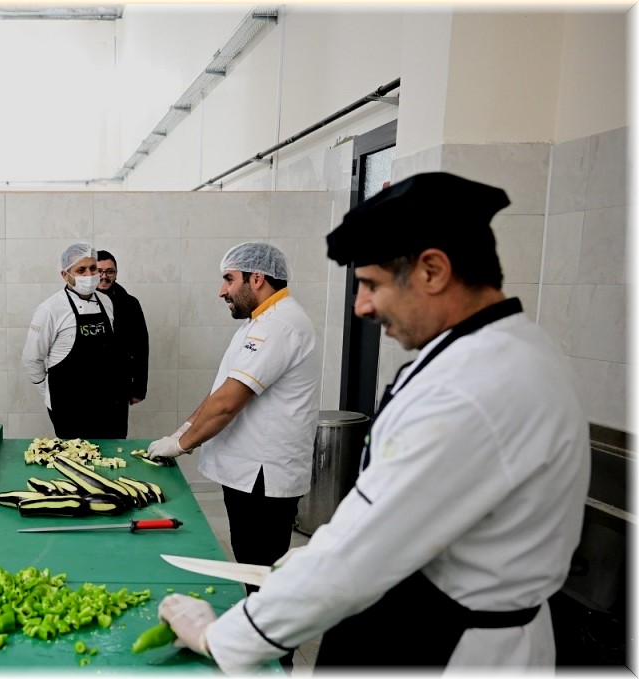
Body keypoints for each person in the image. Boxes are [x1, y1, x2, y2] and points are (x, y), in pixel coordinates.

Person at [156, 172, 591, 671]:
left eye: (370, 285)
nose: (361, 306)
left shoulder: (470, 385)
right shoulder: (507, 349)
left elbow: (357, 560)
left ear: (432, 270)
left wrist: (220, 636)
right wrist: (321, 552)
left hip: (447, 647)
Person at [147, 242, 320, 582]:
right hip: (250, 471)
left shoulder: (279, 325)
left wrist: (181, 446)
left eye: (228, 279)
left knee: (261, 567)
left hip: (263, 474)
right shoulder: (259, 322)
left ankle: (268, 631)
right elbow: (220, 391)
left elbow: (229, 402)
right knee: (248, 558)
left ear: (256, 278)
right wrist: (183, 431)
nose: (221, 291)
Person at [21, 242, 128, 439]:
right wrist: (50, 393)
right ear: (65, 274)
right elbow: (31, 358)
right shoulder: (50, 309)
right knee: (77, 462)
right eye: (81, 270)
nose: (89, 275)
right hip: (69, 406)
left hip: (108, 403)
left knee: (111, 459)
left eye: (93, 268)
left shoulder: (106, 302)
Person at [94, 249, 149, 414]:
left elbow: (141, 347)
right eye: (99, 271)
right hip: (86, 385)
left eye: (110, 271)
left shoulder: (130, 304)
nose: (104, 276)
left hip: (118, 384)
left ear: (116, 274)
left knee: (115, 435)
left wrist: (138, 389)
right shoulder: (76, 303)